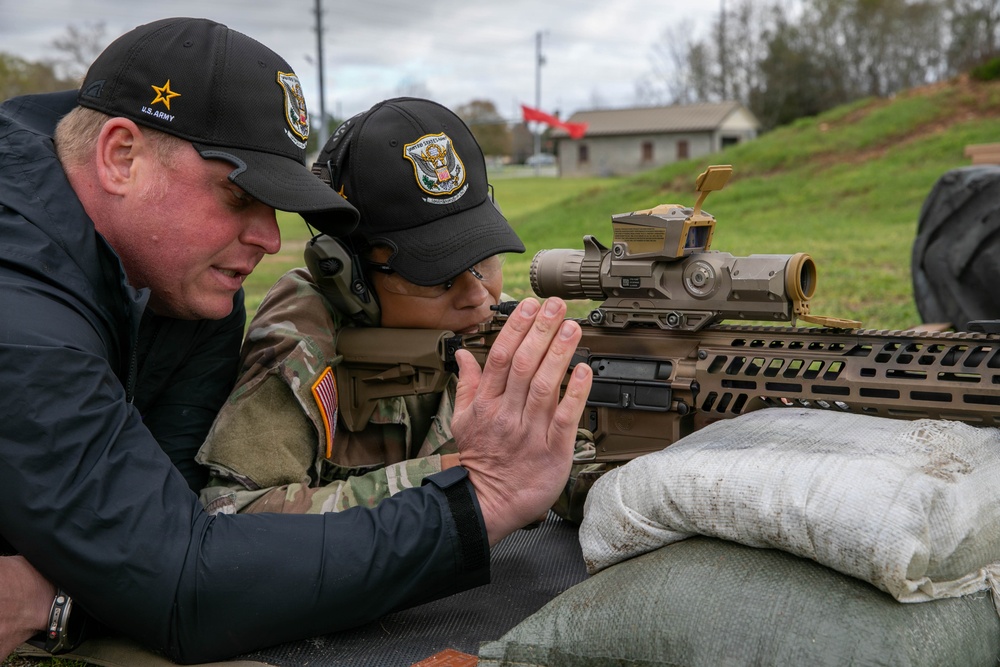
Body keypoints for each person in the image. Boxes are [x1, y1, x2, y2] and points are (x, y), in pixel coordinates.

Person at [0, 17, 591, 665]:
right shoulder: (22, 312)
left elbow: (165, 522)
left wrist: (65, 588)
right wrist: (480, 495)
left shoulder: (187, 288)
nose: (270, 239)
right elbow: (184, 583)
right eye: (237, 196)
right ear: (121, 156)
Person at [196, 97, 600, 520]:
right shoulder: (305, 341)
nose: (478, 296)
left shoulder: (487, 336)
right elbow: (234, 513)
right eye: (437, 275)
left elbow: (555, 470)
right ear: (347, 276)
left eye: (484, 261)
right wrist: (462, 480)